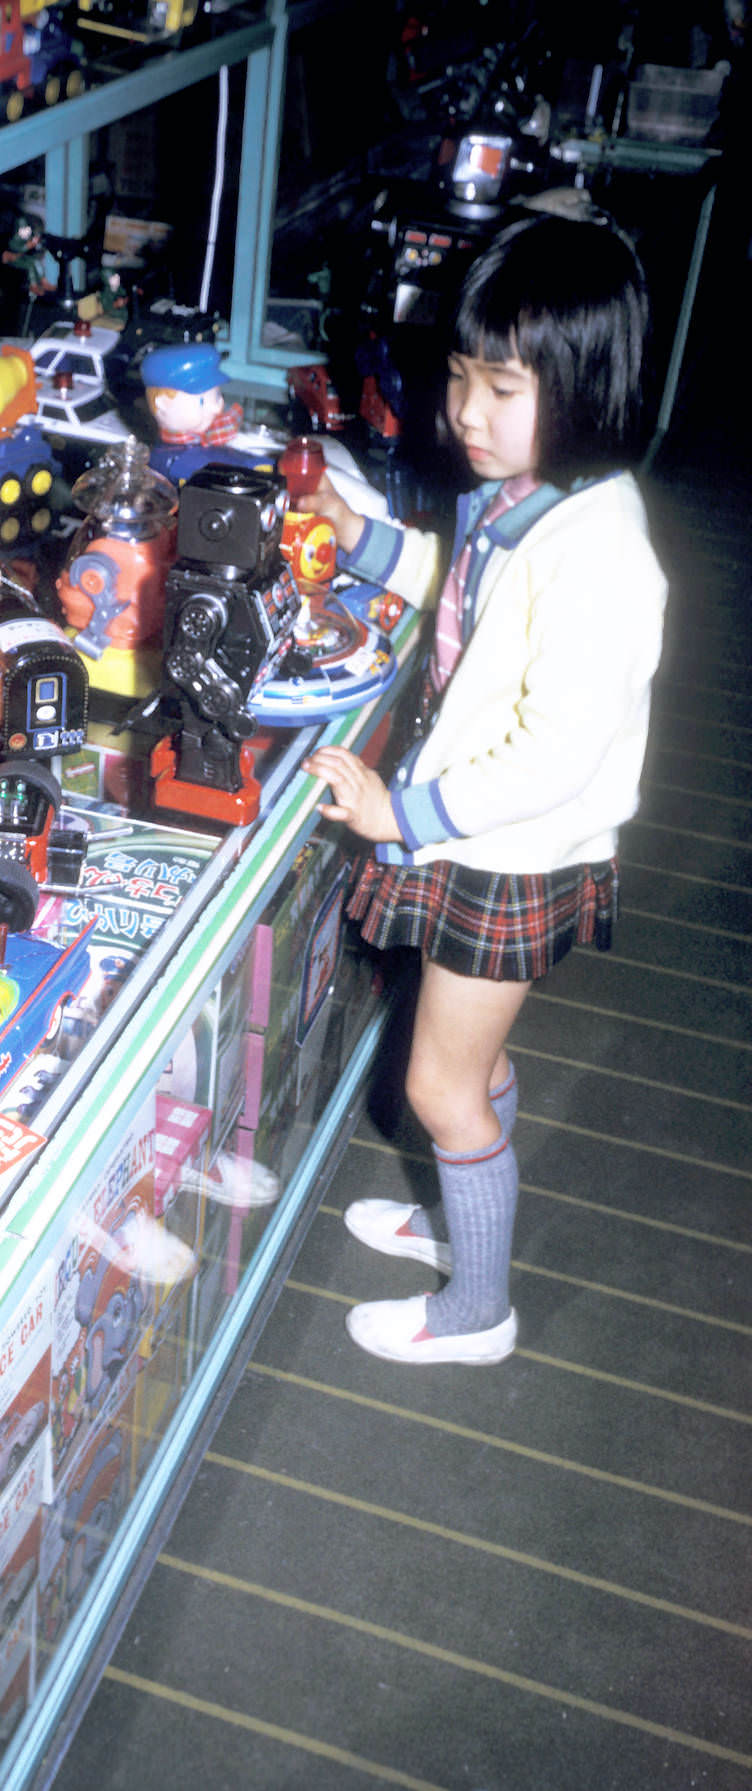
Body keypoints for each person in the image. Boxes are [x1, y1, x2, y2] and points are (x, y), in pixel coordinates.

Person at [299, 211, 667, 1366]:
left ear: (585, 386)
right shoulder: (526, 505)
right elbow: (461, 595)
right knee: (472, 1066)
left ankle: (478, 1312)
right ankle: (458, 1222)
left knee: (440, 1087)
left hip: (512, 846)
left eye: (501, 387)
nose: (466, 410)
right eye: (460, 377)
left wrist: (399, 813)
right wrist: (364, 538)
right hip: (492, 836)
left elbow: (553, 750)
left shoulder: (597, 552)